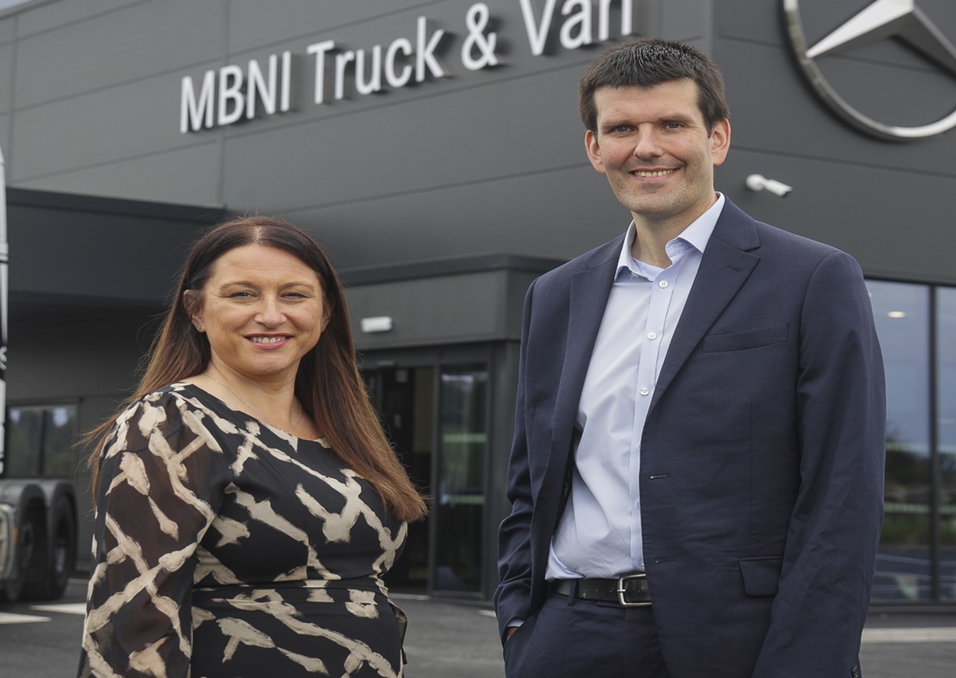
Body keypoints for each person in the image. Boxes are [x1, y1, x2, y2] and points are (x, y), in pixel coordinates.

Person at [495, 39, 886, 677]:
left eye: (672, 124)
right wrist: (519, 615)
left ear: (718, 139)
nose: (646, 147)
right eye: (622, 128)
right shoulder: (557, 295)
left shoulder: (813, 278)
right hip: (569, 637)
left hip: (738, 644)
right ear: (596, 149)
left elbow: (844, 494)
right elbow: (530, 481)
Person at [79, 216, 426, 678]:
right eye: (243, 293)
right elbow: (132, 617)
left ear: (324, 314)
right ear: (196, 311)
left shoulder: (342, 429)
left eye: (294, 295)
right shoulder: (170, 424)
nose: (270, 315)